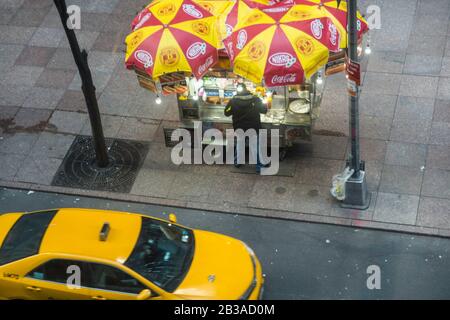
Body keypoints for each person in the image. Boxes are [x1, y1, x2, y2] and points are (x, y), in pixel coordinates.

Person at [224, 83, 268, 173]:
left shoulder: (233, 101)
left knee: (240, 144)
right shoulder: (255, 99)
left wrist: (233, 108)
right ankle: (259, 166)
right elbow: (264, 110)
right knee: (255, 146)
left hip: (239, 127)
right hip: (253, 127)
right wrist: (264, 104)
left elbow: (226, 112)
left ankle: (237, 162)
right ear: (247, 90)